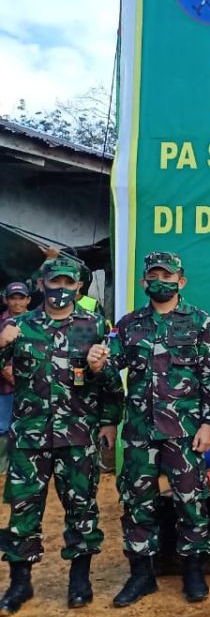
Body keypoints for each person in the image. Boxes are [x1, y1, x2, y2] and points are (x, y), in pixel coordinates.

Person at [89, 251, 210, 607]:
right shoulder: (129, 324)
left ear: (181, 281)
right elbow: (110, 369)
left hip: (184, 432)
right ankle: (141, 575)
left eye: (168, 276)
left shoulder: (199, 322)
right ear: (144, 282)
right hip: (139, 432)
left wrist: (209, 423)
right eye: (154, 275)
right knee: (137, 504)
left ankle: (193, 571)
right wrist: (98, 364)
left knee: (190, 501)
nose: (161, 281)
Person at [0, 259, 123, 613]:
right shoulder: (18, 326)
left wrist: (108, 413)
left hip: (77, 436)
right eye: (55, 281)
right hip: (29, 439)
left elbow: (113, 385)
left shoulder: (95, 325)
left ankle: (79, 581)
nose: (61, 288)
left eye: (69, 281)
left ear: (79, 288)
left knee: (82, 510)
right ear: (41, 284)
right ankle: (19, 584)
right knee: (23, 512)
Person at [0, 282, 32, 478]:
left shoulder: (37, 321)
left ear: (28, 299)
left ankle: (27, 470)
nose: (17, 302)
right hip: (4, 387)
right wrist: (5, 371)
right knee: (3, 427)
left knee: (29, 428)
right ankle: (3, 470)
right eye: (13, 298)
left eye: (21, 298)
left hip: (32, 387)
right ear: (6, 299)